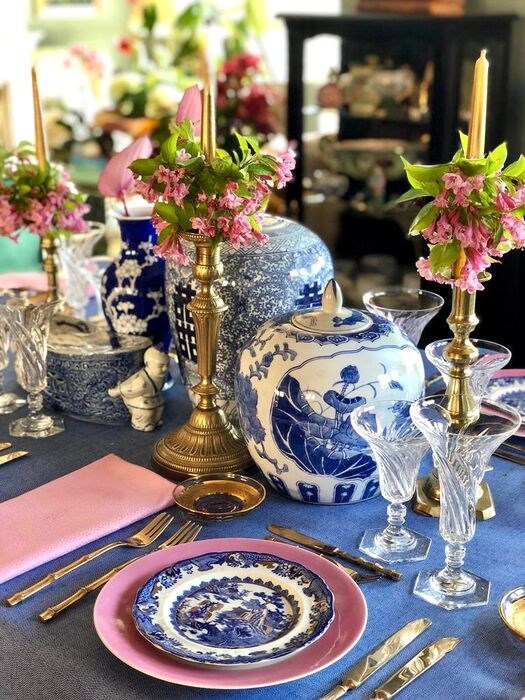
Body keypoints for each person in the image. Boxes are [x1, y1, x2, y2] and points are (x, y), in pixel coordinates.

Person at [108, 346, 169, 431]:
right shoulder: (141, 381)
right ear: (148, 364)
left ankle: (155, 421)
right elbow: (130, 389)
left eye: (167, 365)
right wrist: (117, 391)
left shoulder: (161, 377)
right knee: (146, 411)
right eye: (160, 366)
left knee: (160, 407)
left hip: (154, 397)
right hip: (140, 400)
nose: (165, 369)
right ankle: (141, 424)